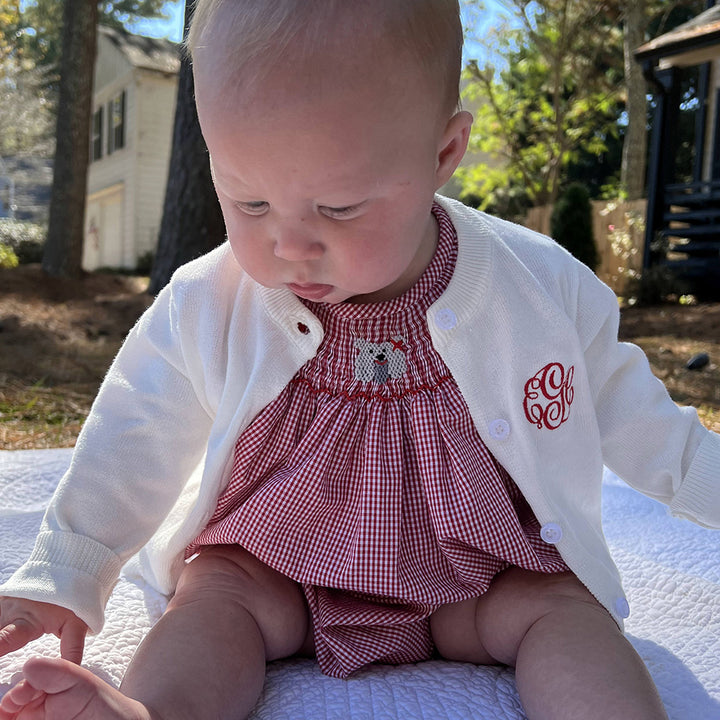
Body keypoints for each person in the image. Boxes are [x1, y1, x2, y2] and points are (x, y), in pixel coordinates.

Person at [0, 1, 718, 718]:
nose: (289, 245)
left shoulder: (536, 288)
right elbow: (135, 429)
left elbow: (639, 416)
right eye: (248, 201)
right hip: (275, 569)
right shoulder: (210, 301)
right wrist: (69, 566)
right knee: (212, 595)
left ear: (442, 153)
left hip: (478, 578)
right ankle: (151, 711)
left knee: (565, 610)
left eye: (338, 207)